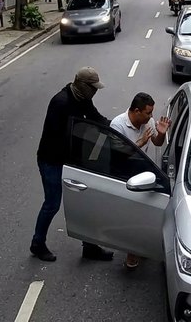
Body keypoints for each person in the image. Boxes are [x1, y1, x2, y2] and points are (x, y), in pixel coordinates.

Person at [30, 67, 115, 263]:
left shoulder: (83, 99)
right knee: (52, 204)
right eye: (93, 88)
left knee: (83, 202)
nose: (95, 92)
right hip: (51, 159)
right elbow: (58, 137)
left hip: (72, 159)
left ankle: (90, 246)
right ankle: (37, 243)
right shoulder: (60, 102)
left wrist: (117, 127)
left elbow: (96, 118)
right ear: (82, 85)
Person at [110, 92, 171, 270]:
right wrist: (138, 144)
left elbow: (157, 143)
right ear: (136, 111)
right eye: (148, 113)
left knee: (147, 212)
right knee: (131, 215)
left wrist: (160, 134)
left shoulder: (148, 123)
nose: (151, 117)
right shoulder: (118, 125)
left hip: (146, 171)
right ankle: (132, 251)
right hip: (125, 175)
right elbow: (117, 155)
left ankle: (142, 245)